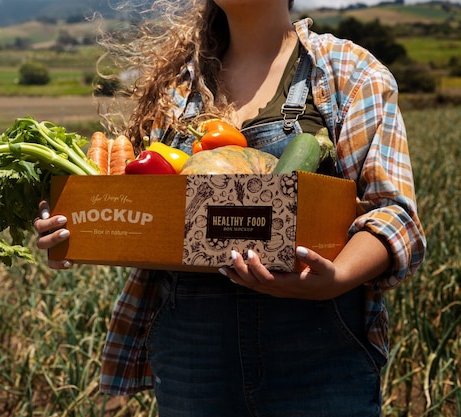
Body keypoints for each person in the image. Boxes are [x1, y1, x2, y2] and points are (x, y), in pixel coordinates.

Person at [34, 0, 427, 415]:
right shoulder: (176, 91)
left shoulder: (348, 72)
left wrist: (337, 277)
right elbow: (141, 207)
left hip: (315, 350)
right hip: (193, 359)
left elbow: (393, 212)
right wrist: (75, 229)